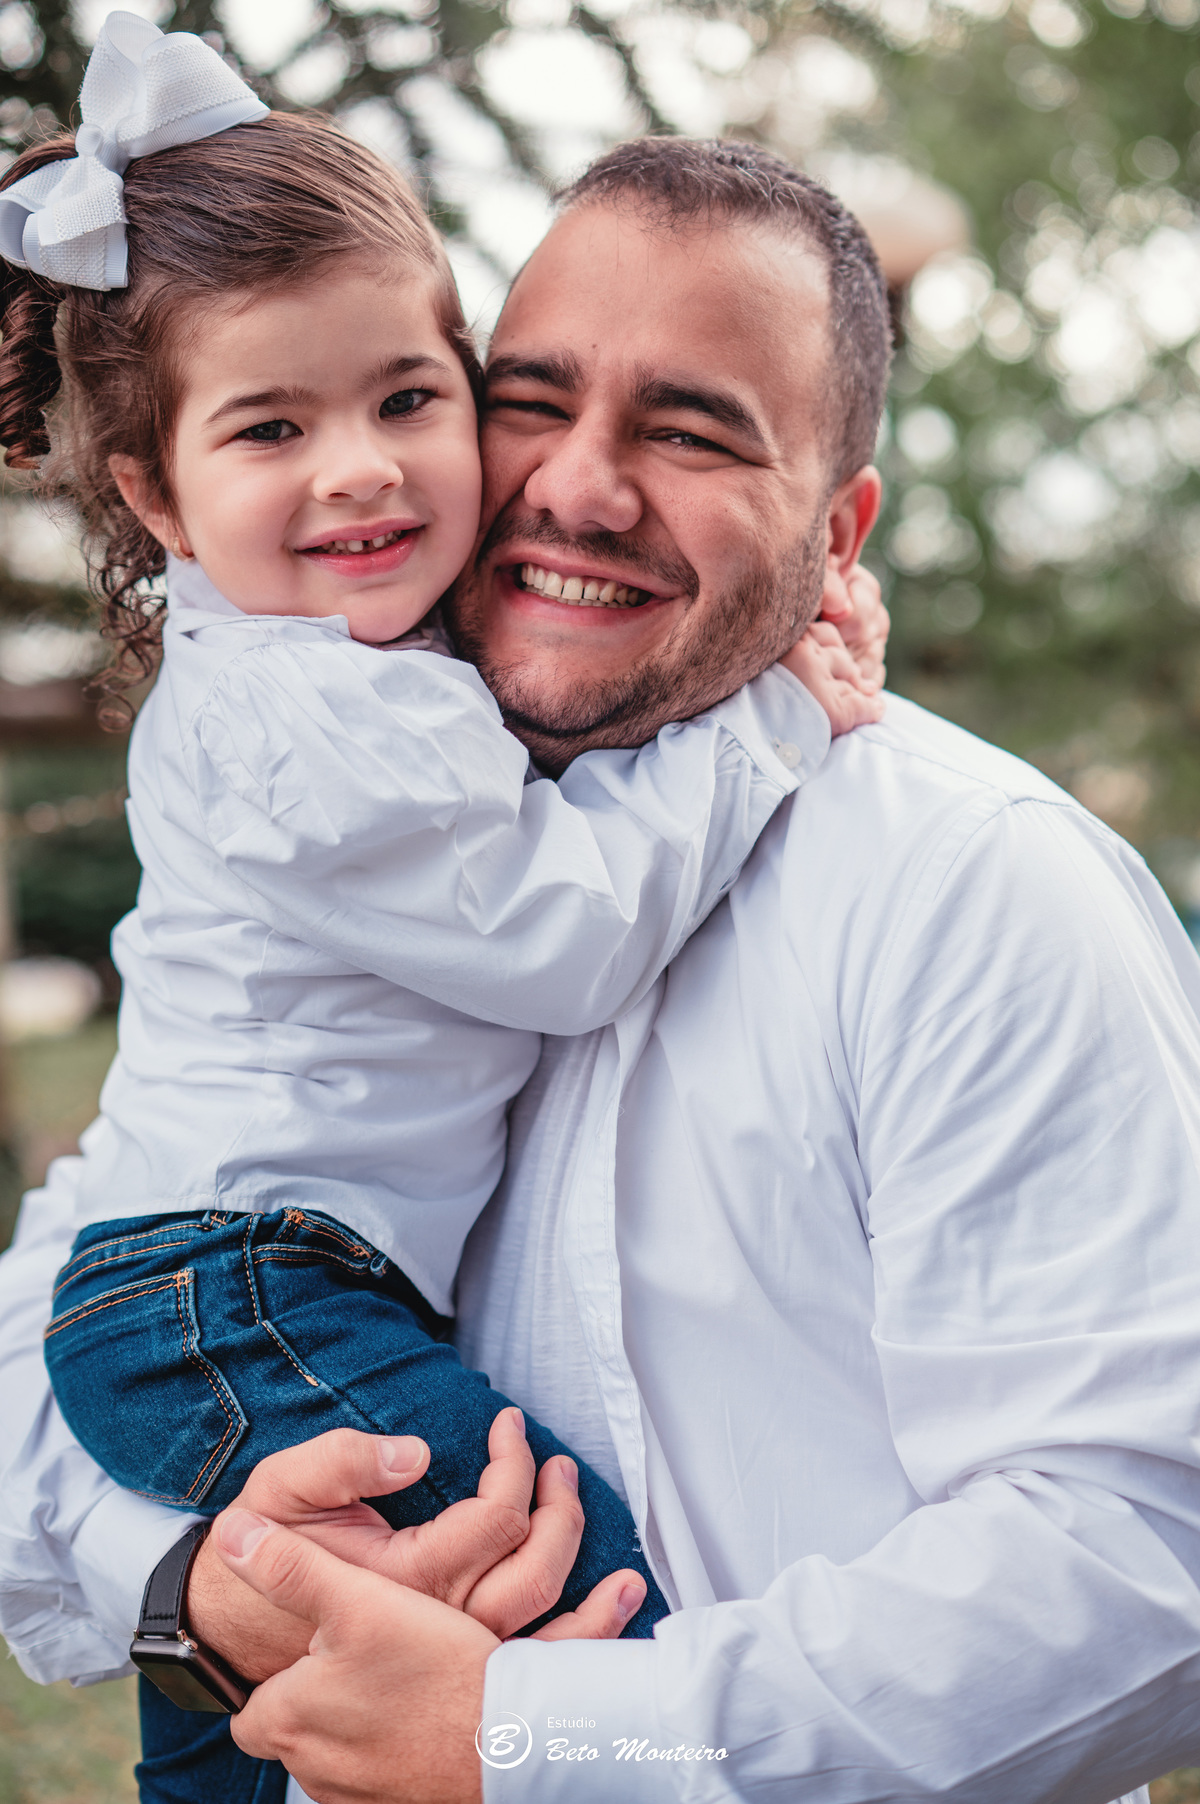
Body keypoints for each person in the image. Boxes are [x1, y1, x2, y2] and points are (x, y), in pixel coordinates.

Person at [5, 130, 1195, 1804]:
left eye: (696, 429)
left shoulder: (972, 884)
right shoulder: (405, 809)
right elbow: (59, 1319)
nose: (577, 485)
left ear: (840, 529)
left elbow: (1148, 1557)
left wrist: (527, 1738)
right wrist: (212, 1587)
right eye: (530, 399)